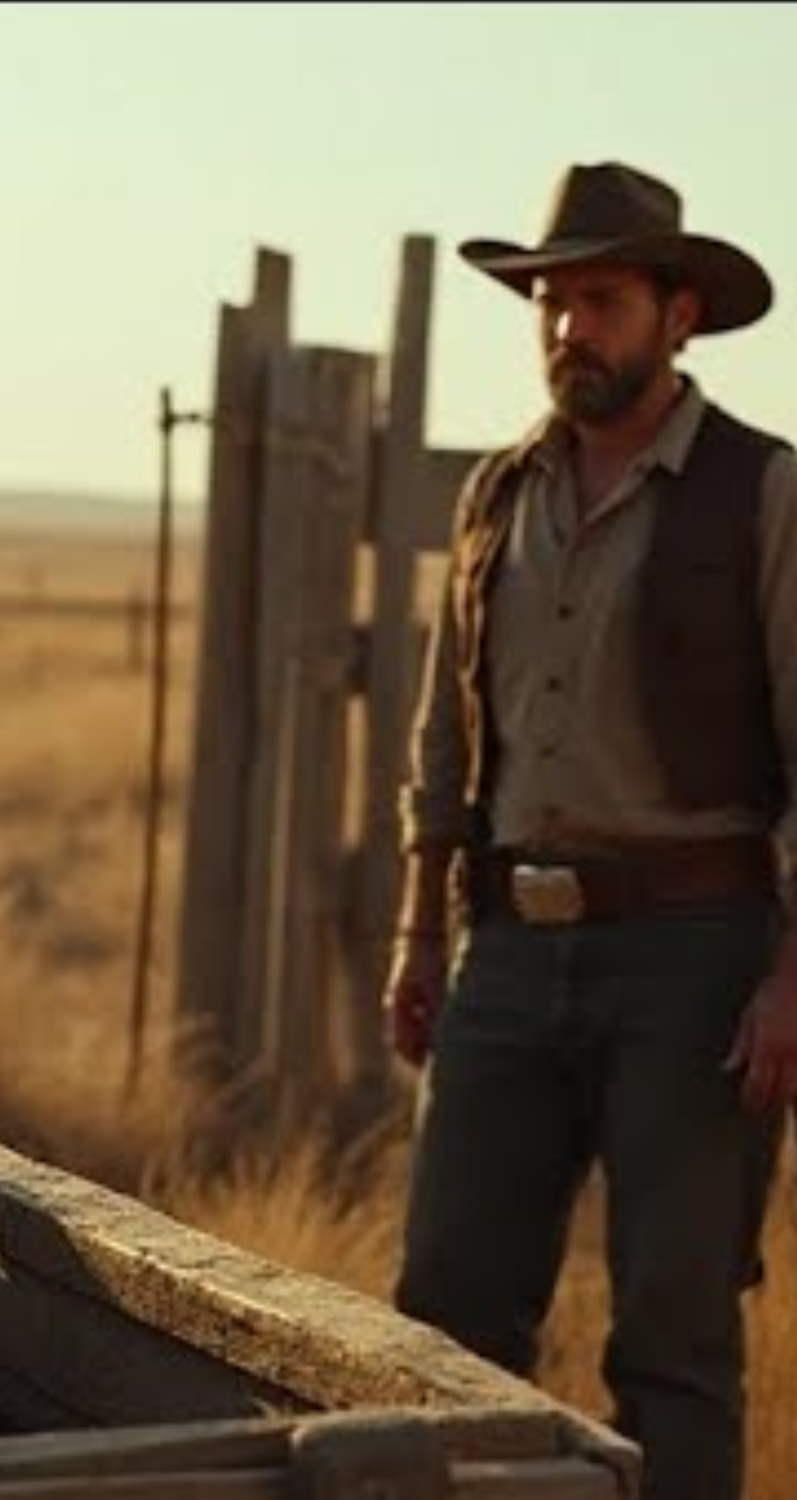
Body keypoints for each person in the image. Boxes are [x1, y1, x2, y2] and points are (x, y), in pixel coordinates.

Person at [383, 161, 797, 1500]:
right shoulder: (499, 495)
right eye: (551, 305)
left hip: (697, 957)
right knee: (443, 1323)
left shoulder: (763, 491)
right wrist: (420, 934)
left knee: (674, 1342)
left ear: (679, 314)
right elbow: (446, 740)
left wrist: (792, 979)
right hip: (505, 948)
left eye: (602, 301)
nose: (569, 330)